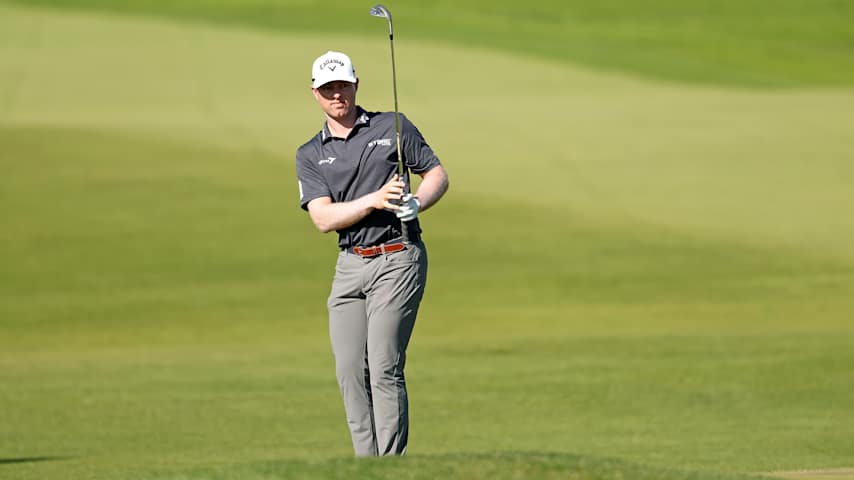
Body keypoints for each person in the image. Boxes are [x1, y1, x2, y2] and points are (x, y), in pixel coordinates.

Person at [295, 51, 449, 456]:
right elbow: (323, 218)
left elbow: (436, 173)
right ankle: (367, 464)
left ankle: (390, 466)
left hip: (398, 257)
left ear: (356, 84)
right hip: (349, 265)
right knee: (349, 370)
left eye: (342, 85)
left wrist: (418, 201)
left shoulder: (392, 126)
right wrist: (375, 200)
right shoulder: (310, 153)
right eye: (328, 89)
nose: (337, 95)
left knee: (383, 365)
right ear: (315, 93)